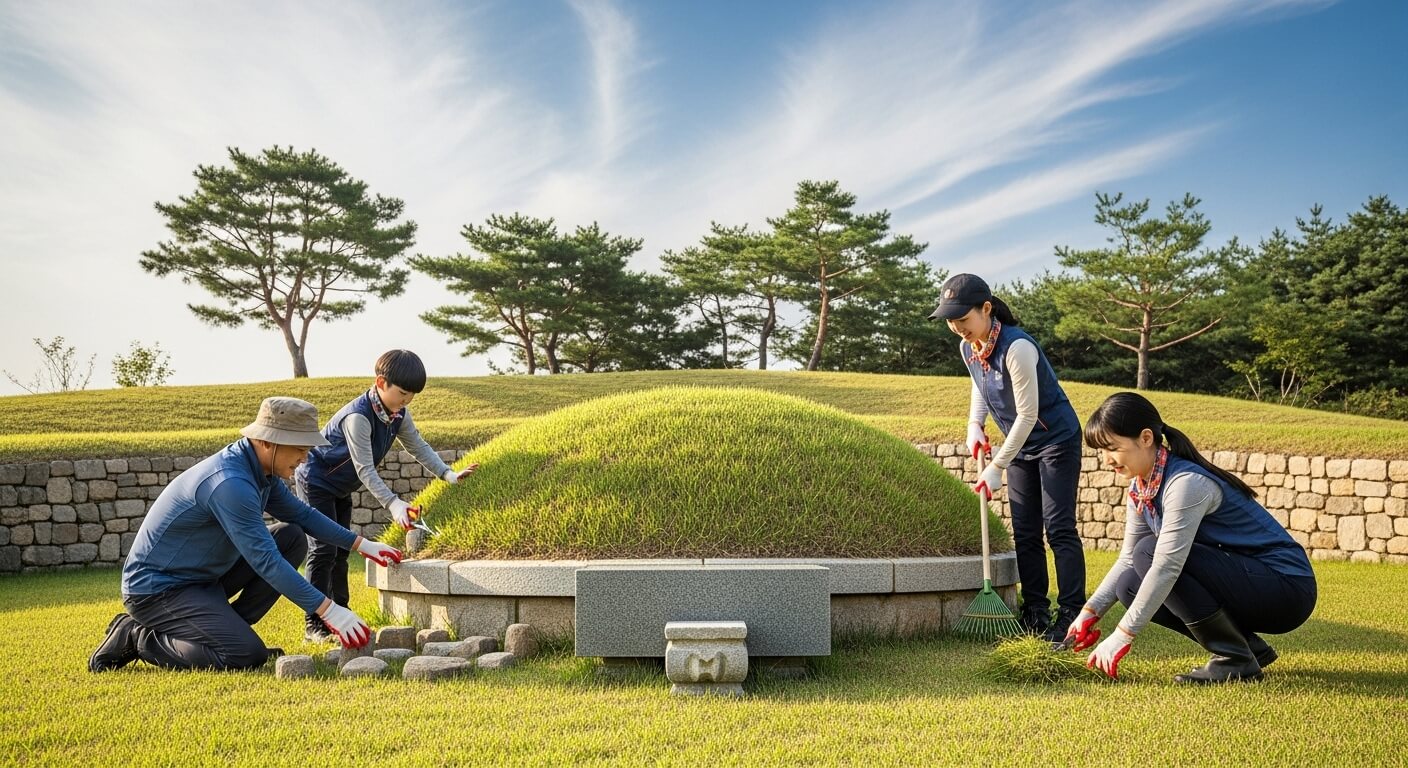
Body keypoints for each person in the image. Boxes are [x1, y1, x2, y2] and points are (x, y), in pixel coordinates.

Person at [88, 397, 402, 672]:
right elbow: (265, 561)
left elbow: (302, 515)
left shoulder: (261, 472)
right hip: (159, 590)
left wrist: (362, 544)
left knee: (291, 536)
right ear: (269, 442)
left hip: (203, 580)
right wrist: (329, 610)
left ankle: (225, 633)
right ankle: (137, 635)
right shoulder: (230, 484)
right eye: (300, 449)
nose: (305, 459)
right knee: (244, 654)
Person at [1066, 392, 1316, 683]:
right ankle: (1246, 649)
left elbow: (1166, 565)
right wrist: (1090, 612)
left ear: (1146, 438)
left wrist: (1122, 635)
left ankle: (1233, 659)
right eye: (1100, 451)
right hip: (1248, 581)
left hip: (1286, 588)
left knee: (1149, 553)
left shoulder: (1186, 485)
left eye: (1112, 448)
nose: (1107, 460)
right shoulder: (1141, 489)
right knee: (1129, 585)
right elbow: (1126, 560)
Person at [930, 273, 1085, 644]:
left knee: (1058, 527)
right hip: (1020, 445)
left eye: (963, 319)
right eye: (951, 322)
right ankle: (1034, 612)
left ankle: (1072, 615)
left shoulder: (1018, 348)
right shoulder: (969, 347)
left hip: (1055, 440)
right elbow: (979, 384)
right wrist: (974, 424)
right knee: (1025, 532)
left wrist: (998, 465)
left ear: (986, 309)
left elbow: (1029, 415)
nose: (957, 328)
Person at [295, 349, 476, 642]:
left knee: (341, 551)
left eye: (412, 395)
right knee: (323, 549)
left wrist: (448, 474)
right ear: (381, 382)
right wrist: (393, 503)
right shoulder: (358, 418)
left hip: (340, 487)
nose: (406, 400)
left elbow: (416, 445)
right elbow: (365, 468)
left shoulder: (397, 414)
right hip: (316, 481)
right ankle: (313, 625)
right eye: (403, 392)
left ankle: (341, 614)